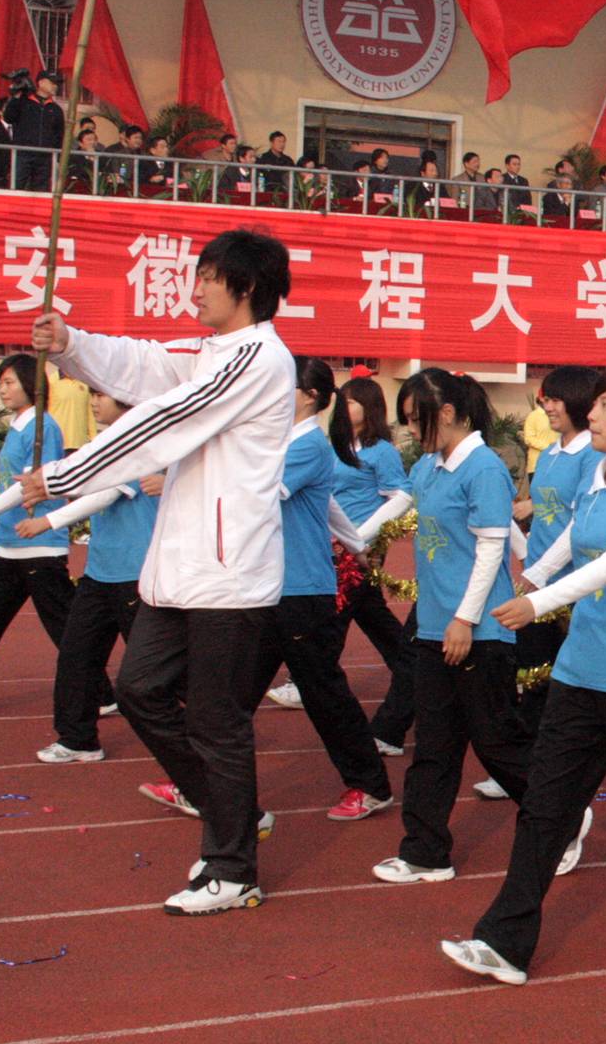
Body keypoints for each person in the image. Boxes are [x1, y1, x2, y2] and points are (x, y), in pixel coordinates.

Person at [24, 230, 297, 916]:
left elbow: (167, 417)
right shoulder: (211, 353)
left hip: (229, 573)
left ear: (246, 287)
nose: (195, 288)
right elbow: (145, 364)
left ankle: (233, 868)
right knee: (140, 689)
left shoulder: (259, 358)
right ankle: (231, 814)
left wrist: (63, 475)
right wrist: (71, 344)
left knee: (215, 721)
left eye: (208, 277)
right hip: (178, 570)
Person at [448, 365, 606, 985]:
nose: (591, 414)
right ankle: (505, 942)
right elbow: (573, 537)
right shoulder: (600, 478)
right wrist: (533, 576)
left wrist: (539, 602)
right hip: (581, 670)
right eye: (594, 405)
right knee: (545, 807)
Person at [369, 369, 580, 885]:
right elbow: (404, 503)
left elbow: (491, 547)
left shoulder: (483, 467)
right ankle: (426, 852)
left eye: (415, 420)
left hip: (478, 632)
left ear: (446, 413)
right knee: (433, 747)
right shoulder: (430, 465)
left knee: (498, 742)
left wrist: (465, 619)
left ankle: (564, 817)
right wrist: (354, 536)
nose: (410, 431)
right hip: (434, 626)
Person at [233, 357, 393, 820]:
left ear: (308, 397)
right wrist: (357, 545)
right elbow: (328, 507)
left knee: (325, 695)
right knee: (235, 693)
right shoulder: (290, 443)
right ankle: (200, 777)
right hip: (274, 587)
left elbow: (258, 496)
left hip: (301, 591)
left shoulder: (306, 447)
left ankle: (371, 785)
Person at [27, 389, 159, 763]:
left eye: (102, 394)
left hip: (135, 573)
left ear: (126, 400)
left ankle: (210, 733)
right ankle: (78, 739)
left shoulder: (138, 443)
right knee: (77, 656)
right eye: (93, 394)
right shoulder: (102, 444)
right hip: (99, 573)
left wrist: (48, 520)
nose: (94, 401)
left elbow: (105, 494)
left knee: (154, 672)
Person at [322, 373, 415, 753]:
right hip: (332, 545)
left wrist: (360, 536)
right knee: (372, 615)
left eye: (352, 401)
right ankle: (413, 673)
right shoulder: (336, 445)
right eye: (342, 400)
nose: (344, 407)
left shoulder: (381, 451)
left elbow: (401, 496)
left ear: (370, 407)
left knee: (337, 612)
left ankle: (311, 671)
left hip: (359, 548)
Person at [510, 366, 603, 739]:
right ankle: (531, 754)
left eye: (556, 399)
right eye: (546, 399)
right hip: (540, 579)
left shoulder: (592, 456)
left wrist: (541, 571)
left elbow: (579, 521)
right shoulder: (549, 454)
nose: (548, 406)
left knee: (572, 677)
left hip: (570, 583)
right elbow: (547, 514)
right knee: (533, 673)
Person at [0, 356, 80, 674]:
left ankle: (98, 692)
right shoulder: (17, 427)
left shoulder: (44, 428)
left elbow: (27, 486)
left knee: (67, 633)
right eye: (0, 383)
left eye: (9, 382)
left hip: (39, 547)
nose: (2, 389)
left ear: (31, 385)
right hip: (6, 546)